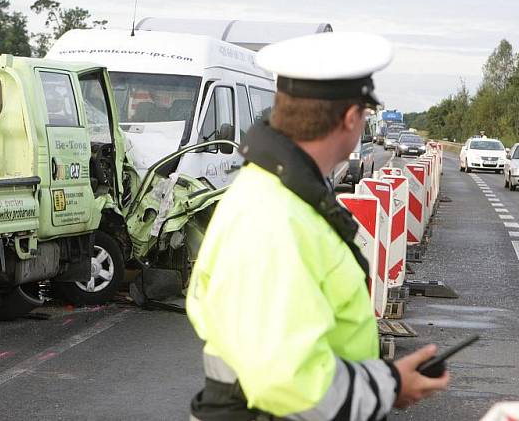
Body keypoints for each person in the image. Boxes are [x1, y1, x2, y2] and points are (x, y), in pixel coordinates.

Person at [186, 32, 449, 421]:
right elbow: (288, 381)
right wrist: (390, 385)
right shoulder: (275, 216)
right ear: (350, 118)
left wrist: (383, 382)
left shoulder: (280, 197)